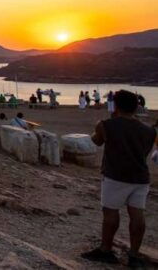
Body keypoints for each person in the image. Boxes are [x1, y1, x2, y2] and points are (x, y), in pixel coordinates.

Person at [81, 90, 157, 267]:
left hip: (115, 176)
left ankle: (105, 250)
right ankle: (134, 255)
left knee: (110, 213)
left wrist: (99, 127)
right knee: (137, 214)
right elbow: (144, 152)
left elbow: (96, 141)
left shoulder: (106, 125)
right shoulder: (149, 131)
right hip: (140, 177)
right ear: (136, 107)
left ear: (115, 105)